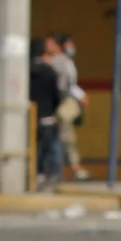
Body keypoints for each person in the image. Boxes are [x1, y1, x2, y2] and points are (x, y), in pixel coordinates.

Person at [30, 37, 64, 192]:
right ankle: (55, 175)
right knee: (52, 146)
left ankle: (36, 174)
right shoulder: (50, 72)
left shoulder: (27, 71)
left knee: (35, 147)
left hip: (32, 117)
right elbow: (57, 95)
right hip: (48, 115)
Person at [54, 33, 90, 181]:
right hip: (60, 104)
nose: (71, 47)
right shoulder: (58, 62)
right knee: (65, 136)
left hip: (66, 103)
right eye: (68, 44)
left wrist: (81, 95)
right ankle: (70, 167)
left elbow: (71, 84)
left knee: (67, 137)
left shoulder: (68, 62)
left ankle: (73, 167)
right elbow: (64, 86)